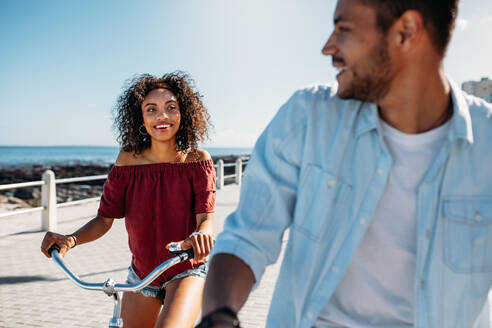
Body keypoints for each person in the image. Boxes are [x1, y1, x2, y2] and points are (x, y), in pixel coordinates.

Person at [198, 0, 492, 327]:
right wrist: (218, 316)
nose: (328, 48)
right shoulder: (307, 117)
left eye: (344, 29)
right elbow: (247, 238)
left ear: (406, 32)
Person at [41, 72, 216, 328]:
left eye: (171, 108)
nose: (162, 116)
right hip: (142, 274)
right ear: (141, 119)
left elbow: (206, 218)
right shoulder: (127, 160)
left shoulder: (197, 160)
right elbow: (104, 219)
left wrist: (202, 236)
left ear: (183, 113)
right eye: (151, 109)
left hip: (185, 268)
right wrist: (71, 239)